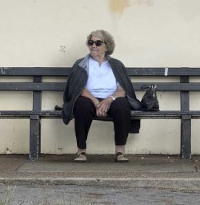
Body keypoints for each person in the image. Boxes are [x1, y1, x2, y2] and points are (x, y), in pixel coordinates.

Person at [61, 29, 142, 162]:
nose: (93, 45)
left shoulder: (116, 65)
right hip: (89, 98)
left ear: (107, 46)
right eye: (90, 42)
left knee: (122, 105)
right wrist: (95, 101)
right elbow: (78, 88)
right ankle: (81, 151)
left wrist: (108, 100)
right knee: (81, 105)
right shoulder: (81, 64)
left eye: (98, 43)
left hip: (112, 99)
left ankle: (120, 152)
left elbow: (122, 89)